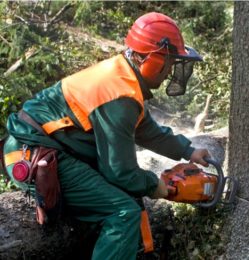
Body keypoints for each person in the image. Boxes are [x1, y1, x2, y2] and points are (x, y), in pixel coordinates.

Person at [2, 12, 209, 260]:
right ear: (153, 60)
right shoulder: (119, 95)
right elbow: (119, 172)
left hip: (51, 149)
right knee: (123, 213)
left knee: (121, 201)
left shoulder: (123, 79)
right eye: (169, 64)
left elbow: (146, 131)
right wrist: (156, 186)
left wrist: (189, 151)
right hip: (35, 155)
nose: (168, 74)